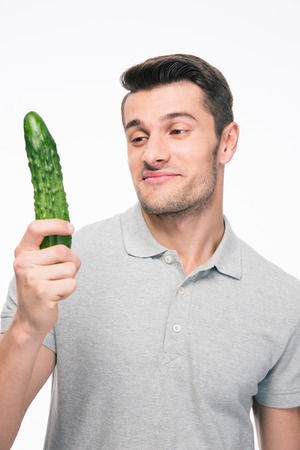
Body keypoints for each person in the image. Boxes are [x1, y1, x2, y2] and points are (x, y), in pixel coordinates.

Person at [1, 54, 300, 450]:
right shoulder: (57, 267)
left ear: (226, 142)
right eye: (138, 137)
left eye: (177, 131)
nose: (152, 154)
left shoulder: (282, 299)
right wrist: (26, 325)